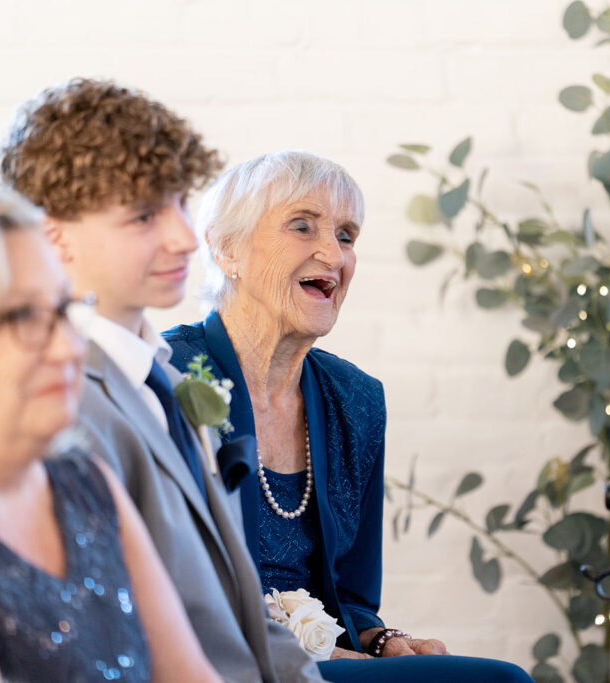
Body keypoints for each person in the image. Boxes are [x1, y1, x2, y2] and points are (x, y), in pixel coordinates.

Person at [0, 78, 324, 683]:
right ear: (53, 235)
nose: (183, 236)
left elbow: (240, 603)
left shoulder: (169, 376)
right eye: (144, 215)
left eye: (178, 203)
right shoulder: (64, 408)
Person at [166, 150, 533, 682]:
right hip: (214, 660)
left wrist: (382, 640)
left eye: (346, 235)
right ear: (227, 249)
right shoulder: (170, 375)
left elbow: (352, 597)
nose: (332, 255)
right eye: (301, 226)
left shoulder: (356, 400)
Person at [0, 193, 220, 682]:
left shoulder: (87, 484)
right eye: (24, 316)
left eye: (66, 309)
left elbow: (191, 675)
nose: (68, 347)